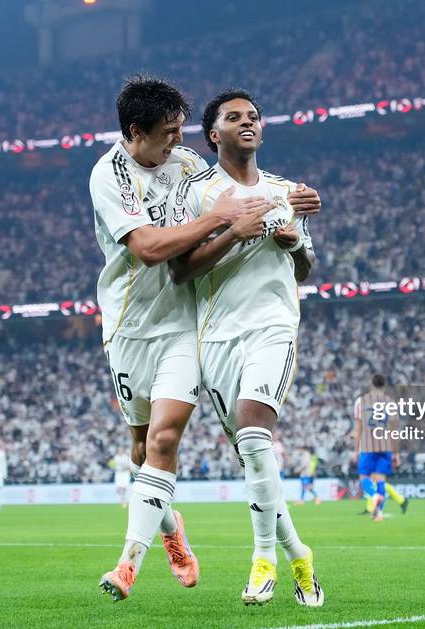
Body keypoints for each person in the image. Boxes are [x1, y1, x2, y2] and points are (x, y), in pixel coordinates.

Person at [94, 76, 284, 602]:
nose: (180, 141)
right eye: (169, 132)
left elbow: (236, 192)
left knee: (163, 440)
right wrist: (219, 219)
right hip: (129, 326)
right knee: (140, 448)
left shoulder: (187, 165)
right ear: (136, 132)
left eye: (181, 129)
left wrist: (287, 204)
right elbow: (150, 249)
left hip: (182, 324)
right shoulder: (109, 175)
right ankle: (170, 525)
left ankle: (128, 564)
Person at [168, 88, 323, 607]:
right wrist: (234, 232)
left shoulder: (287, 192)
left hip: (273, 325)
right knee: (253, 459)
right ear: (214, 134)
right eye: (234, 118)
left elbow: (305, 268)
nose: (247, 122)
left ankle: (263, 559)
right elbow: (180, 271)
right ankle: (299, 553)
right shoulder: (196, 193)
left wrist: (294, 243)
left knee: (255, 432)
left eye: (253, 116)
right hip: (215, 335)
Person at [353, 374, 408, 521]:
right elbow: (394, 430)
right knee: (380, 479)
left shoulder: (361, 401)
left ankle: (373, 496)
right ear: (384, 386)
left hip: (368, 445)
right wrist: (396, 454)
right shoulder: (390, 403)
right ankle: (379, 513)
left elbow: (358, 428)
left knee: (364, 478)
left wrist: (356, 450)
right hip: (385, 445)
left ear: (371, 384)